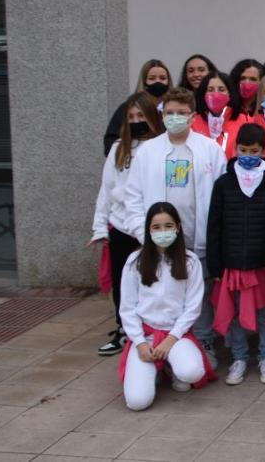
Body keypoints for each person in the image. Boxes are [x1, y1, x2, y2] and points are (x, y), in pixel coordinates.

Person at [123, 87, 226, 364]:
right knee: (165, 293)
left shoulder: (210, 150)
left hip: (197, 238)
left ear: (193, 116)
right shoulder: (148, 152)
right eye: (170, 113)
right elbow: (132, 197)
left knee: (199, 296)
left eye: (182, 113)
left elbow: (221, 199)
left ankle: (203, 342)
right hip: (159, 240)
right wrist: (142, 234)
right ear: (162, 115)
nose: (175, 117)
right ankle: (158, 345)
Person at [205, 123, 265, 386]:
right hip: (232, 264)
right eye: (243, 150)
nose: (248, 155)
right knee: (235, 313)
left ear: (264, 151)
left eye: (254, 151)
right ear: (235, 148)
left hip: (263, 265)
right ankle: (239, 357)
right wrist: (215, 265)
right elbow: (214, 225)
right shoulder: (224, 183)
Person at [119, 203, 211, 410]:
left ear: (177, 227)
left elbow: (192, 307)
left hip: (175, 335)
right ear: (148, 230)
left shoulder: (190, 261)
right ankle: (153, 370)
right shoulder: (135, 261)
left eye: (168, 226)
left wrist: (171, 339)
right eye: (156, 227)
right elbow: (127, 308)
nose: (163, 232)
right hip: (146, 336)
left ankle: (171, 366)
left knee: (192, 372)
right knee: (137, 402)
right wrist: (140, 343)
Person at [92, 92, 164, 355]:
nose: (136, 121)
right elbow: (106, 189)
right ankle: (124, 329)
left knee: (153, 281)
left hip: (153, 228)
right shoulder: (118, 149)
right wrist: (100, 227)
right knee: (123, 283)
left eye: (140, 116)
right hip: (122, 227)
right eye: (131, 117)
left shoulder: (161, 147)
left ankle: (153, 330)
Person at [104, 59, 171, 155]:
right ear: (144, 81)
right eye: (152, 78)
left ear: (168, 81)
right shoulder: (128, 107)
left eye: (162, 78)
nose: (158, 82)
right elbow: (110, 140)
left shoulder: (173, 109)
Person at [191, 71, 246, 156]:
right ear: (203, 94)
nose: (216, 94)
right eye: (210, 90)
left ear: (229, 93)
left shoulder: (242, 120)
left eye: (221, 89)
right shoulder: (193, 122)